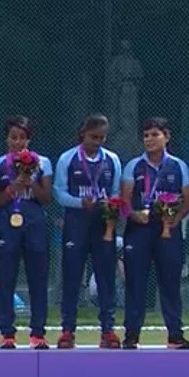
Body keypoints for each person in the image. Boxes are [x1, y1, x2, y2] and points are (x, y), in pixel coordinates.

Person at [120, 117, 189, 349]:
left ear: (167, 137)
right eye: (146, 136)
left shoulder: (179, 166)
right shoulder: (134, 166)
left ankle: (175, 334)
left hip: (168, 231)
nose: (150, 140)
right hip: (139, 229)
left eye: (155, 135)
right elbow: (123, 201)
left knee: (170, 282)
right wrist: (133, 215)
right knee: (136, 283)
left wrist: (175, 220)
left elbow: (188, 200)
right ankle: (131, 334)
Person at [54, 114, 124, 348]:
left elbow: (115, 193)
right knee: (72, 276)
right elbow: (59, 193)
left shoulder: (112, 159)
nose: (98, 141)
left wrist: (111, 206)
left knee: (106, 277)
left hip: (103, 224)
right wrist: (79, 202)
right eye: (94, 137)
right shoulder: (68, 158)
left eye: (102, 137)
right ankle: (67, 330)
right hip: (77, 221)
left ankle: (108, 330)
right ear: (83, 133)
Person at [0, 115, 53, 349]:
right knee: (5, 279)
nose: (18, 143)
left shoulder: (42, 162)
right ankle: (7, 333)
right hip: (8, 225)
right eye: (13, 138)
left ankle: (38, 333)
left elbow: (46, 198)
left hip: (34, 224)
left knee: (38, 279)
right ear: (7, 139)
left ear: (29, 139)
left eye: (22, 138)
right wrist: (11, 189)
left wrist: (29, 181)